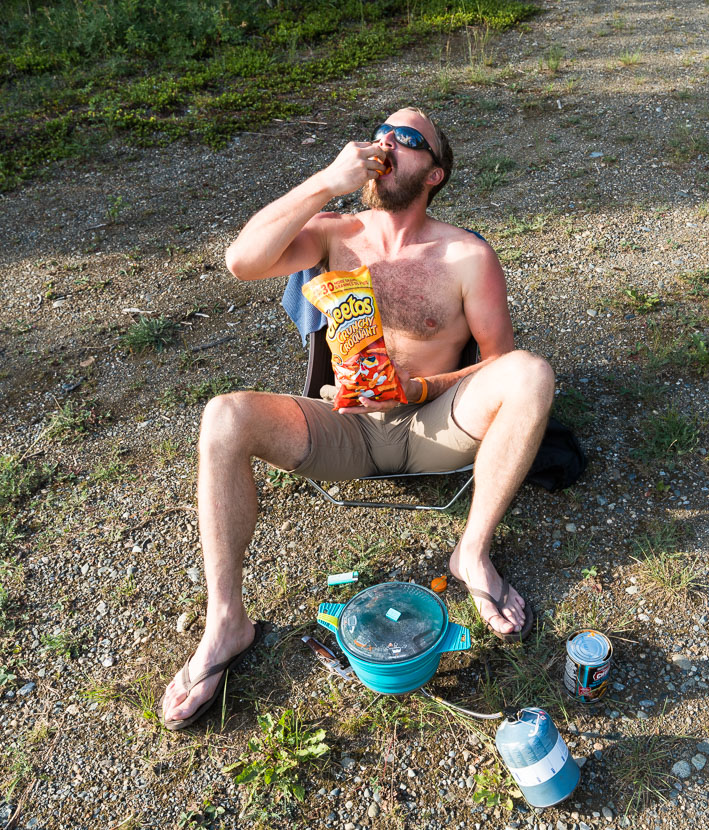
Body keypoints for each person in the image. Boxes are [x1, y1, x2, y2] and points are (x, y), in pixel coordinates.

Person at [160, 107, 555, 729]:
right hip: (344, 426)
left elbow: (499, 360)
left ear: (434, 174)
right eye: (382, 133)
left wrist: (420, 383)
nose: (387, 143)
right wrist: (324, 180)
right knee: (224, 417)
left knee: (531, 372)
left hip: (434, 425)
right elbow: (242, 260)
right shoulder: (333, 232)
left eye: (408, 139)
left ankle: (471, 555)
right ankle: (225, 622)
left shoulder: (466, 255)